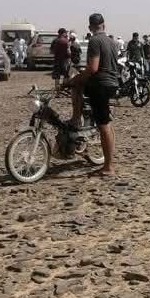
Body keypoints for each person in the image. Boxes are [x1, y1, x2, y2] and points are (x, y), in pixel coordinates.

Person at [65, 13, 118, 176]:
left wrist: (75, 79)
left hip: (100, 85)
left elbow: (93, 68)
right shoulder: (111, 41)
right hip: (112, 83)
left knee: (103, 125)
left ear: (90, 27)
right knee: (106, 123)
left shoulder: (95, 40)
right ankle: (78, 117)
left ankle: (108, 167)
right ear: (104, 25)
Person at [50, 28, 71, 93]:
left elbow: (51, 51)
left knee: (57, 77)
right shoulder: (66, 41)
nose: (66, 34)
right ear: (63, 33)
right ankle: (65, 90)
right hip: (65, 61)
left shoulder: (55, 41)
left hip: (57, 60)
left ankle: (58, 93)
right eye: (65, 33)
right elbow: (68, 52)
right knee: (66, 75)